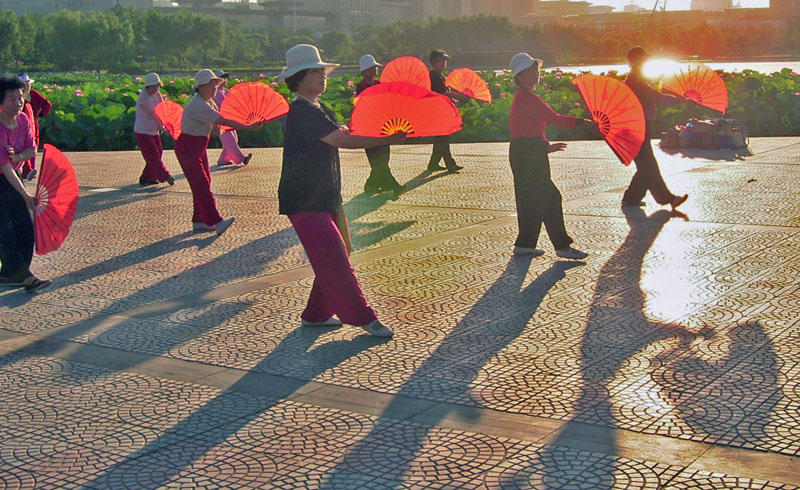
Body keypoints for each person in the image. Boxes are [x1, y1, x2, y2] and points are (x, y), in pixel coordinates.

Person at [277, 44, 406, 337]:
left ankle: (315, 314)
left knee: (339, 251)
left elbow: (338, 132)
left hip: (325, 194)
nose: (323, 77)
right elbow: (342, 141)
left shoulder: (318, 107)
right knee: (334, 256)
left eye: (323, 71)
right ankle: (363, 316)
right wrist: (385, 139)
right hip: (304, 198)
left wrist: (356, 131)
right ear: (298, 77)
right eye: (315, 72)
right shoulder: (301, 109)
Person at [507, 53, 595, 260]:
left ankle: (525, 244)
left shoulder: (525, 97)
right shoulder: (527, 98)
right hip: (527, 153)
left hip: (527, 151)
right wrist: (583, 122)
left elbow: (529, 127)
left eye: (536, 70)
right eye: (530, 71)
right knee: (550, 198)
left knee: (531, 199)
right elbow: (553, 118)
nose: (535, 74)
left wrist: (544, 146)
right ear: (519, 76)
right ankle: (562, 245)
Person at [175, 69, 262, 236]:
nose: (214, 89)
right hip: (188, 147)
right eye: (210, 85)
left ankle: (200, 221)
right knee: (201, 184)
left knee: (204, 182)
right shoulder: (198, 104)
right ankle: (216, 221)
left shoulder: (208, 102)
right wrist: (248, 127)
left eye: (215, 85)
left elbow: (217, 124)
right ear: (199, 87)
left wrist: (220, 127)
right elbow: (222, 120)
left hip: (199, 145)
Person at [0, 75, 51, 292]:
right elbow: (5, 168)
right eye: (12, 99)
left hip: (13, 178)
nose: (18, 103)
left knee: (25, 228)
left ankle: (10, 274)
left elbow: (32, 150)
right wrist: (26, 196)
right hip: (5, 177)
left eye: (20, 98)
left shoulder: (22, 120)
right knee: (5, 230)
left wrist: (19, 157)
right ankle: (25, 277)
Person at [622, 46, 688, 210]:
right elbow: (656, 98)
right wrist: (681, 100)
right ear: (637, 61)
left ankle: (631, 197)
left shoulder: (636, 78)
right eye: (643, 58)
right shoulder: (635, 80)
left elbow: (653, 96)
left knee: (645, 165)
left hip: (640, 125)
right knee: (648, 164)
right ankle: (668, 198)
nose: (646, 61)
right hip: (637, 127)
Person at [356, 54, 405, 196]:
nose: (373, 71)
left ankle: (371, 184)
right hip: (368, 127)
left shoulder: (379, 84)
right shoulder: (361, 87)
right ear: (364, 71)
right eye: (370, 68)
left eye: (375, 68)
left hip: (383, 126)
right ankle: (394, 185)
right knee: (377, 159)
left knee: (383, 158)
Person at [427, 49, 466, 173]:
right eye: (441, 60)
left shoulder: (440, 76)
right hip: (437, 111)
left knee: (441, 138)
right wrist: (459, 95)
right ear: (433, 62)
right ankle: (450, 163)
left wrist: (455, 99)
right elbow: (442, 93)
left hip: (442, 110)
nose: (444, 63)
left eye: (445, 60)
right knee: (443, 138)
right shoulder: (433, 76)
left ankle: (433, 163)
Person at [134, 72, 174, 187]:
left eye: (157, 86)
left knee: (158, 152)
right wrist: (163, 128)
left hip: (153, 130)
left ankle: (147, 178)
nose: (155, 89)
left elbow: (161, 109)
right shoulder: (143, 98)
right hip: (142, 131)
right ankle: (166, 176)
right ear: (147, 87)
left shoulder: (157, 94)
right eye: (152, 86)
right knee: (153, 155)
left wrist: (167, 124)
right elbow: (153, 115)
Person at [213, 70, 252, 167]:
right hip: (221, 121)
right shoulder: (216, 93)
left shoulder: (224, 91)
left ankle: (223, 160)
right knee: (230, 140)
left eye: (226, 78)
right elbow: (226, 104)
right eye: (223, 78)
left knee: (233, 139)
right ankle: (241, 158)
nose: (225, 80)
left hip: (228, 120)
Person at [17, 73, 51, 182]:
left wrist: (40, 116)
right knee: (23, 145)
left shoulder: (34, 94)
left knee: (33, 145)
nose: (27, 86)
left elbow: (47, 105)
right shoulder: (17, 96)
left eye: (28, 83)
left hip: (33, 123)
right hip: (20, 124)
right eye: (24, 84)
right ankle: (24, 170)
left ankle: (30, 169)